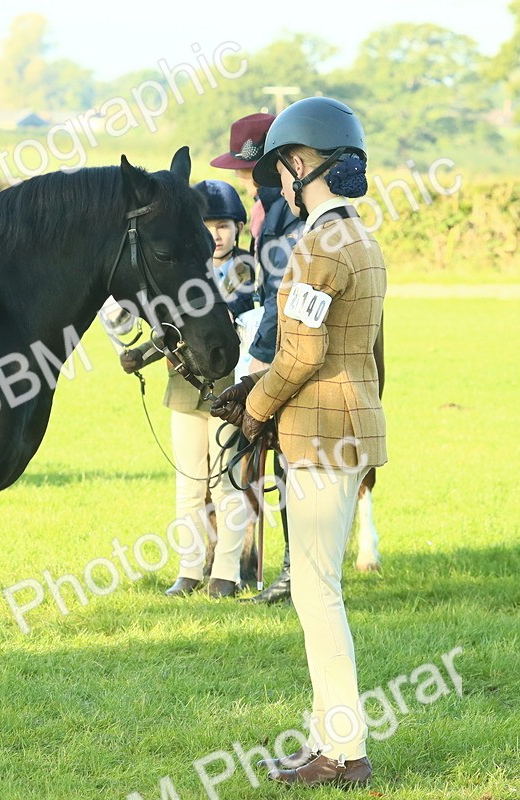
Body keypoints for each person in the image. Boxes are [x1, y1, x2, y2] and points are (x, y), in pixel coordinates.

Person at [211, 97, 386, 787]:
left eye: (283, 168)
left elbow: (302, 352)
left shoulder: (318, 245)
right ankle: (326, 743)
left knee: (317, 594)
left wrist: (252, 408)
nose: (280, 182)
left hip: (319, 432)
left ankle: (344, 753)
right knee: (322, 588)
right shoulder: (362, 239)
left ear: (302, 164)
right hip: (351, 426)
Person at [117, 179, 253, 599]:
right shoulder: (187, 269)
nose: (216, 233)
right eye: (208, 224)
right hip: (184, 386)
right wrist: (144, 352)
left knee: (226, 483)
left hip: (228, 387)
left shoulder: (245, 270)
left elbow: (224, 321)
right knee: (189, 483)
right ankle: (189, 569)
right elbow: (176, 326)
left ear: (238, 228)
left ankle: (227, 573)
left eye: (225, 225)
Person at [211, 112, 304, 604]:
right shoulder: (265, 206)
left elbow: (282, 293)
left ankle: (294, 568)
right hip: (270, 336)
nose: (243, 179)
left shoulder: (287, 213)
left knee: (291, 457)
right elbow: (260, 287)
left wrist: (259, 358)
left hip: (289, 347)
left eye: (248, 171)